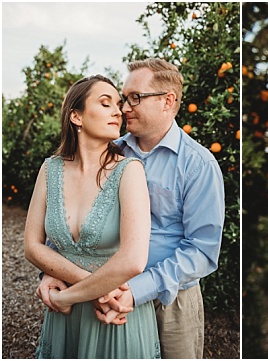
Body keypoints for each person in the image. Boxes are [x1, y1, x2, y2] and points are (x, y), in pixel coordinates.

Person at [36, 58, 226, 359]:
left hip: (171, 297)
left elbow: (202, 251)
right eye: (124, 98)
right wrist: (52, 269)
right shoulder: (109, 151)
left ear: (168, 101)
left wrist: (137, 290)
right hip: (99, 286)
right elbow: (69, 210)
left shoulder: (198, 164)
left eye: (135, 98)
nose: (123, 108)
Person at [24, 75, 160, 358]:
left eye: (118, 104)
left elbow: (134, 260)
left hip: (113, 315)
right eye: (105, 103)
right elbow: (32, 246)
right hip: (71, 316)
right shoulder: (50, 170)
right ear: (76, 116)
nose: (118, 111)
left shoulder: (130, 171)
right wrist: (96, 287)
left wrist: (67, 296)